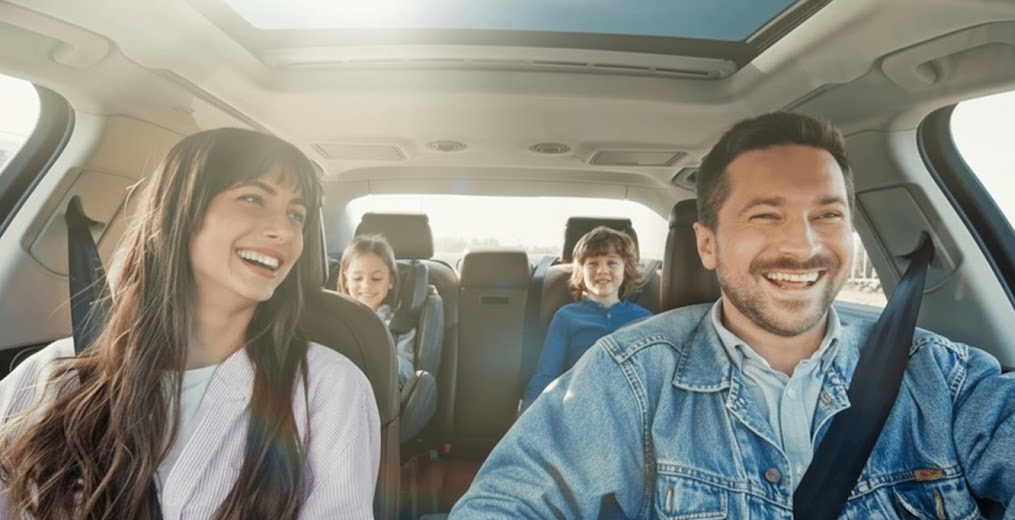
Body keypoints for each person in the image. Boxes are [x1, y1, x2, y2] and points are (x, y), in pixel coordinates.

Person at [448, 112, 1015, 519]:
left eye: (828, 214)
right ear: (708, 244)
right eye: (766, 216)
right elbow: (509, 500)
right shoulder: (629, 377)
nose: (804, 246)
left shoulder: (949, 380)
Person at [0, 128, 380, 519]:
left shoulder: (328, 388)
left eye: (295, 214)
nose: (283, 230)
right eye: (252, 198)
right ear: (179, 212)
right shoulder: (53, 376)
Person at [519, 226, 651, 413]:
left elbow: (651, 378)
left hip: (628, 409)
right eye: (592, 264)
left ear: (626, 270)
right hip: (579, 404)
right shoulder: (567, 317)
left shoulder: (644, 319)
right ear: (581, 271)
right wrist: (527, 415)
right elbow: (546, 374)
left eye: (612, 263)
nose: (602, 271)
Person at [338, 235, 416, 388]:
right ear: (346, 280)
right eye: (357, 278)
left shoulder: (400, 324)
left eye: (376, 278)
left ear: (391, 281)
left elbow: (407, 374)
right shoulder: (334, 319)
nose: (366, 285)